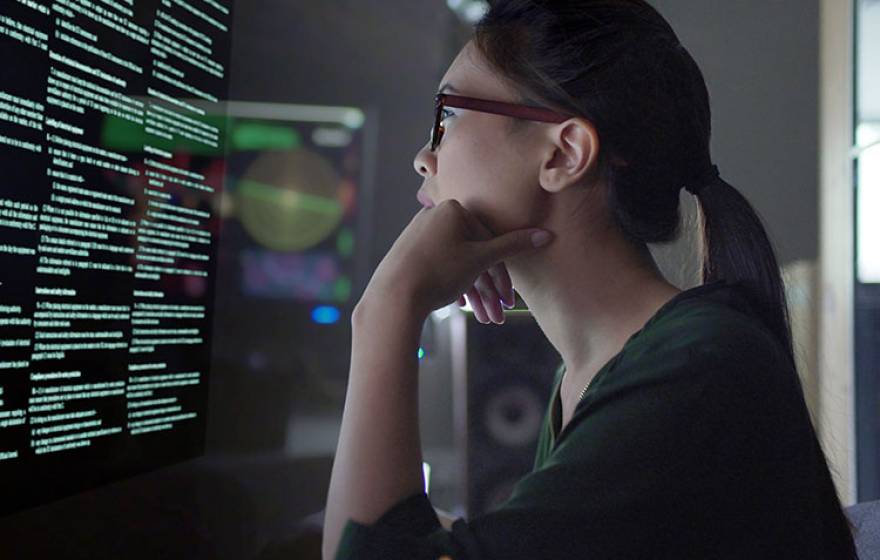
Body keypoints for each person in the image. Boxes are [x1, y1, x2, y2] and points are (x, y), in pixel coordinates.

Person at [321, 1, 860, 558]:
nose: (422, 157)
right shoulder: (593, 372)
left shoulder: (695, 368)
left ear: (564, 153)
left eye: (448, 116)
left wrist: (387, 308)